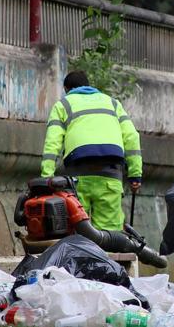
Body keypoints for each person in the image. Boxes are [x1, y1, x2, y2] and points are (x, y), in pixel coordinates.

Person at [40, 71, 142, 231]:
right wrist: (135, 175)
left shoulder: (63, 105)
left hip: (78, 177)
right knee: (111, 237)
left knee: (78, 231)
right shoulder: (113, 103)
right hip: (110, 174)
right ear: (88, 85)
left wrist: (46, 178)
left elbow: (52, 144)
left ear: (66, 89)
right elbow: (132, 137)